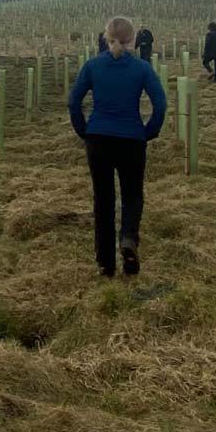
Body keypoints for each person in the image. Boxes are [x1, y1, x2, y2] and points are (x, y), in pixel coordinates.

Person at [69, 15, 168, 277]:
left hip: (98, 139)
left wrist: (85, 131)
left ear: (106, 37)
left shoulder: (92, 66)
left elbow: (73, 102)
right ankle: (128, 240)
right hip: (132, 140)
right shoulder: (142, 69)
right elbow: (161, 104)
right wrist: (149, 132)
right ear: (132, 40)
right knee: (133, 196)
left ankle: (105, 264)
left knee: (103, 200)